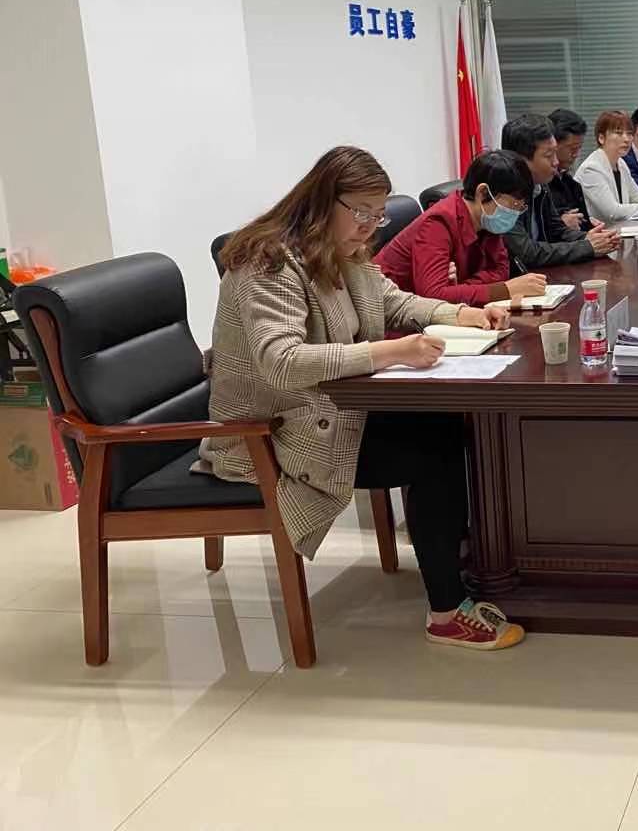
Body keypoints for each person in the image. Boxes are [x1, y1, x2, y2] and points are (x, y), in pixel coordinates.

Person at [197, 146, 523, 651]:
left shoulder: (338, 249)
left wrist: (461, 315)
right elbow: (281, 360)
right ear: (323, 200)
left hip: (327, 410)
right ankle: (445, 611)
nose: (370, 226)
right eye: (361, 213)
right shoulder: (267, 262)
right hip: (271, 435)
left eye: (379, 214)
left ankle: (460, 563)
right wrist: (390, 352)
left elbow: (393, 300)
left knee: (447, 425)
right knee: (435, 451)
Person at [376, 150, 545, 305]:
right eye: (514, 204)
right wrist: (505, 290)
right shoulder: (438, 222)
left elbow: (501, 271)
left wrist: (461, 289)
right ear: (483, 193)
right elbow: (433, 296)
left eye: (521, 206)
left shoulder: (488, 220)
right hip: (390, 312)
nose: (515, 212)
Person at [502, 114, 621, 270]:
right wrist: (587, 246)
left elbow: (557, 231)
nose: (556, 162)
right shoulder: (503, 196)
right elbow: (527, 253)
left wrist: (591, 237)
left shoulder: (540, 186)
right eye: (548, 155)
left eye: (555, 153)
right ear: (521, 160)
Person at [578, 110, 638, 224]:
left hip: (619, 230)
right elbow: (612, 211)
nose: (626, 139)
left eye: (629, 133)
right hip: (601, 233)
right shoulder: (591, 169)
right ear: (601, 138)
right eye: (618, 133)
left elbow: (637, 196)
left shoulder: (620, 163)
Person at [548, 108, 595, 233]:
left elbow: (584, 227)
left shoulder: (572, 184)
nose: (576, 154)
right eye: (572, 148)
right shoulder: (539, 186)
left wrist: (592, 226)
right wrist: (561, 224)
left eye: (579, 148)